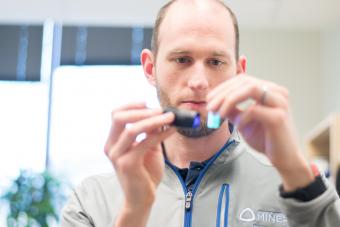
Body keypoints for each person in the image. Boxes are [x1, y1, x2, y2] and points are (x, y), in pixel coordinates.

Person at [61, 0, 340, 226]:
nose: (199, 81)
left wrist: (293, 168)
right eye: (182, 59)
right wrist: (134, 212)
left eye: (216, 61)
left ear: (238, 72)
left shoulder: (296, 194)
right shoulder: (91, 201)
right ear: (150, 68)